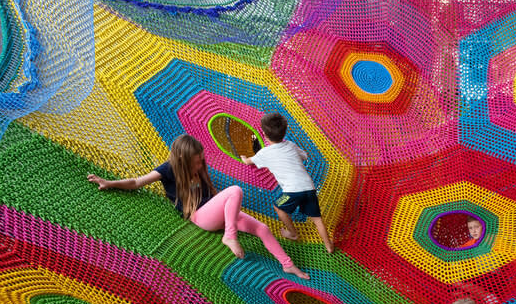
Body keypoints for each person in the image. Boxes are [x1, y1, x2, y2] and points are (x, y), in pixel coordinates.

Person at [87, 134, 309, 280]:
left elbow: (213, 194)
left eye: (201, 159)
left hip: (218, 211)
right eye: (196, 161)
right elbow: (136, 182)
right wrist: (109, 183)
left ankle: (287, 264)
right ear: (182, 158)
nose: (201, 164)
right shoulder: (167, 169)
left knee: (262, 228)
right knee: (235, 190)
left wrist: (225, 207)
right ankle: (229, 236)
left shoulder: (199, 166)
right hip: (200, 216)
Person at [241, 112, 334, 254]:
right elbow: (305, 156)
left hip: (292, 191)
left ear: (264, 134)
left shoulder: (264, 153)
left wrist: (243, 157)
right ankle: (329, 246)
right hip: (309, 187)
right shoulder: (290, 145)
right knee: (317, 219)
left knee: (278, 207)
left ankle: (293, 233)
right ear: (284, 132)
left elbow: (248, 162)